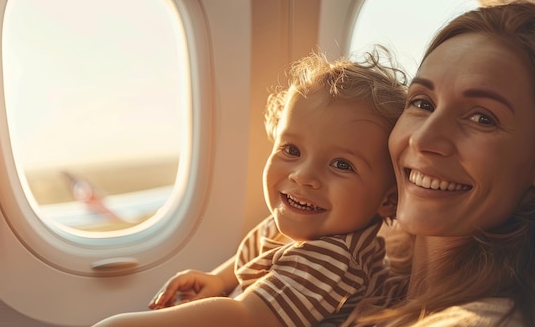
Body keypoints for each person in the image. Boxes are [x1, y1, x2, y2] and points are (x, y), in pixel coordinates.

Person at [92, 49, 408, 327]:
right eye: (292, 150)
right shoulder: (303, 219)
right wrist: (219, 279)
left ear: (387, 199)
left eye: (341, 165)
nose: (302, 176)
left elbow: (247, 318)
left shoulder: (333, 259)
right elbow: (258, 249)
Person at [343, 1, 535, 327]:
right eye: (421, 103)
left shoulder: (480, 321)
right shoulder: (372, 270)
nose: (423, 140)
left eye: (482, 118)